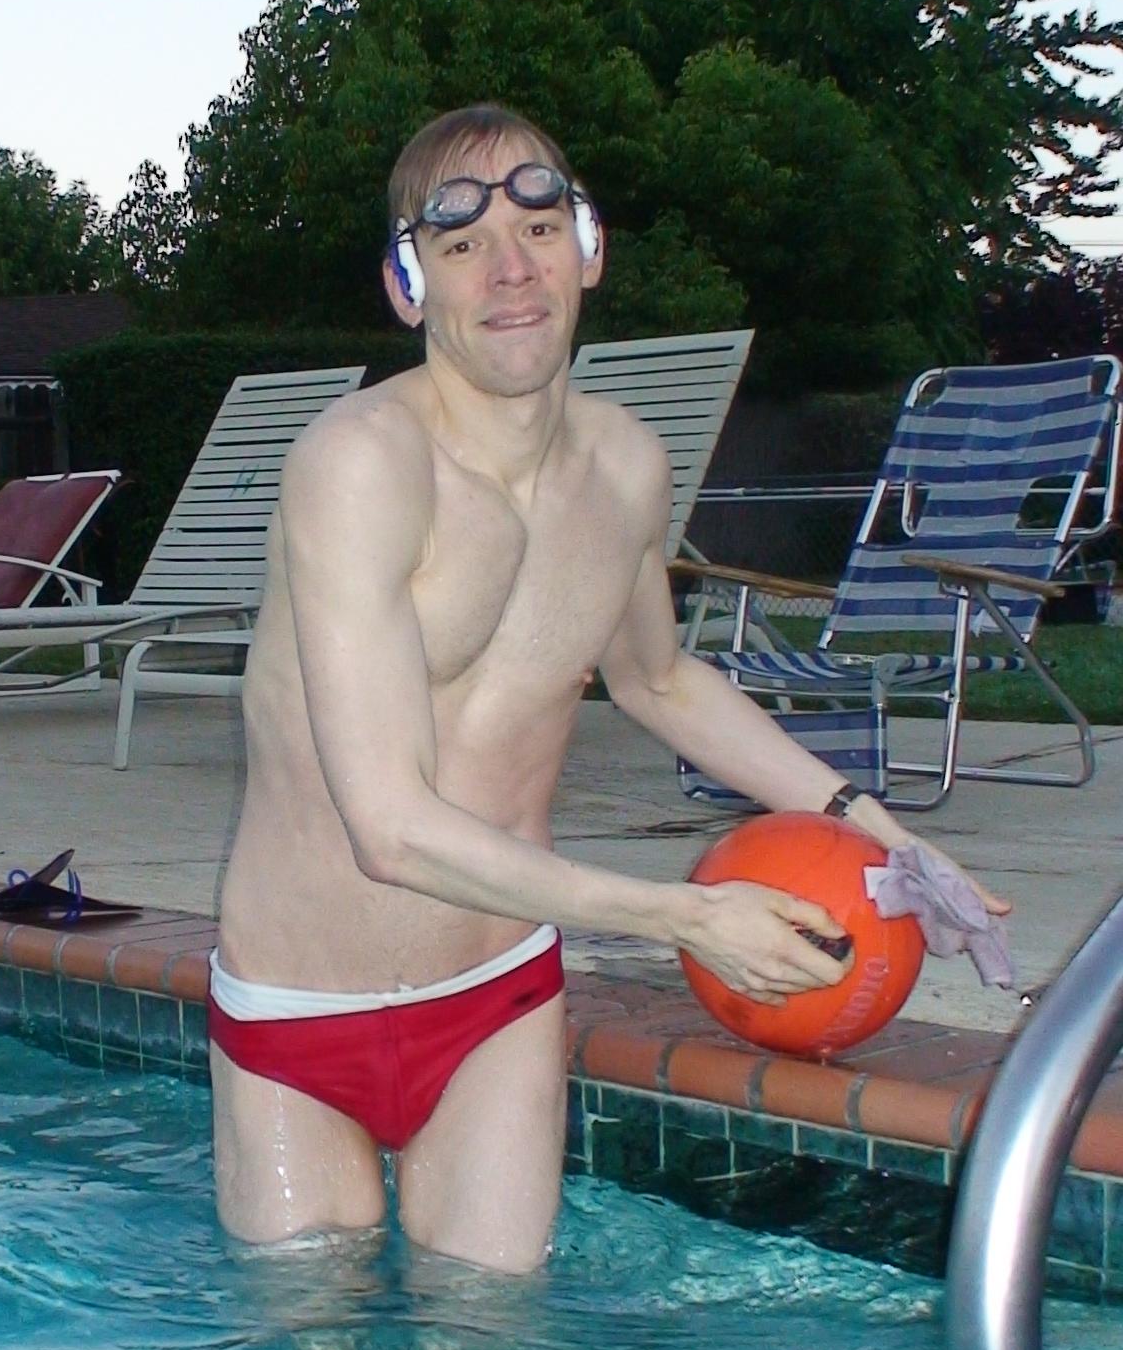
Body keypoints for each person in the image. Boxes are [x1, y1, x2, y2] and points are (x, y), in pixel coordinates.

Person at [211, 102, 1005, 1274]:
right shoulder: (359, 464)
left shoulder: (626, 465)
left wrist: (880, 832)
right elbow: (387, 826)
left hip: (494, 996)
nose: (510, 269)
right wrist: (685, 915)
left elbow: (660, 677)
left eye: (538, 225)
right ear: (407, 285)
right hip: (297, 1007)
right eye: (463, 243)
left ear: (589, 249)